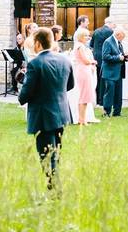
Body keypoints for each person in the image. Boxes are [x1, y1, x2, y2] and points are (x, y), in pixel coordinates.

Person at [18, 28, 74, 191]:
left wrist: (22, 91)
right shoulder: (64, 60)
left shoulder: (35, 63)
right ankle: (55, 184)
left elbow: (26, 93)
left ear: (37, 43)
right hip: (62, 113)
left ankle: (54, 189)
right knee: (56, 151)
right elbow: (70, 85)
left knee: (46, 154)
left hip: (43, 115)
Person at [71, 28, 98, 125]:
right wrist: (93, 61)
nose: (88, 38)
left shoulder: (79, 46)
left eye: (88, 36)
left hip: (82, 70)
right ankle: (82, 120)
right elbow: (85, 60)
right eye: (85, 36)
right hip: (83, 71)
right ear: (80, 37)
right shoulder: (80, 47)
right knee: (84, 96)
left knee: (83, 96)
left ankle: (82, 119)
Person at [101, 27, 128, 117]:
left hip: (118, 72)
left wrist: (125, 57)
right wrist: (118, 58)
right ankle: (106, 112)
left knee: (118, 93)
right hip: (109, 72)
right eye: (123, 36)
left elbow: (120, 54)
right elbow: (105, 56)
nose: (123, 38)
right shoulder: (108, 42)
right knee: (109, 93)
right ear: (118, 34)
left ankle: (117, 112)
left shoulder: (119, 42)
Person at [89, 17, 114, 104]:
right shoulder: (110, 32)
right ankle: (102, 100)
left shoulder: (96, 31)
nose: (113, 26)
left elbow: (91, 44)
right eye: (113, 25)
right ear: (110, 24)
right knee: (103, 80)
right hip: (105, 58)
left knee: (97, 79)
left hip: (95, 57)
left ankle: (97, 99)